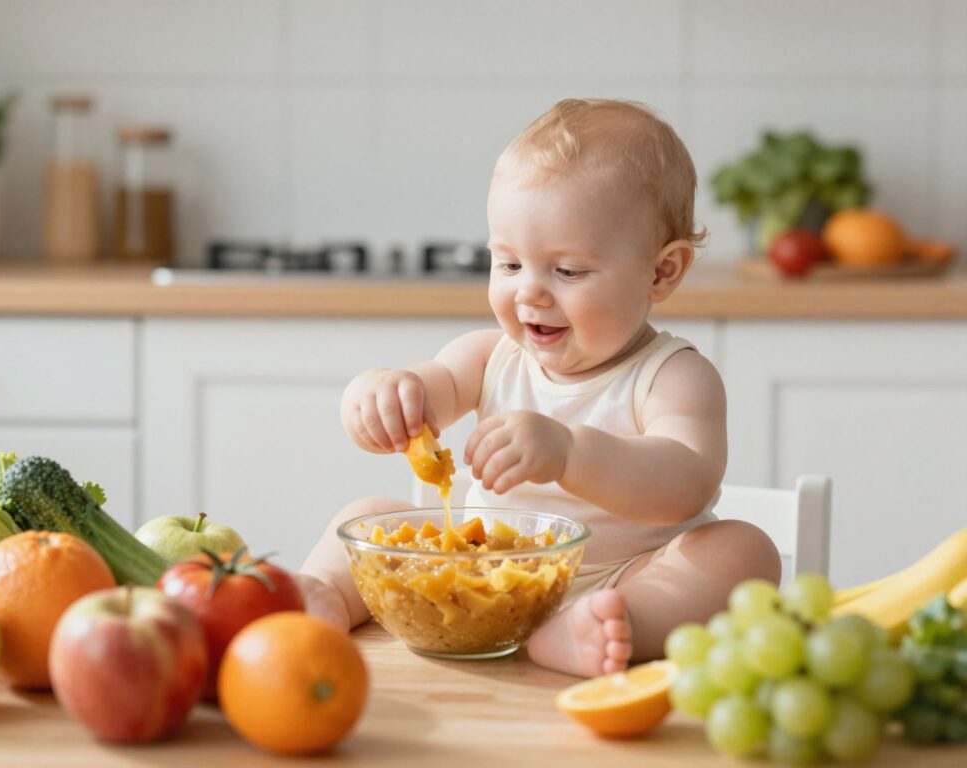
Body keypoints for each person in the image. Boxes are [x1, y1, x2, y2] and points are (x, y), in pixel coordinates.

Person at [296, 98, 780, 678]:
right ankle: (322, 594)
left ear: (662, 272)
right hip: (479, 573)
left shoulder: (673, 375)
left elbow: (684, 484)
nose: (530, 293)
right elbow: (430, 388)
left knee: (743, 552)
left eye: (568, 271)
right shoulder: (489, 355)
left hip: (624, 572)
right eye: (508, 264)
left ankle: (612, 624)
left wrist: (569, 452)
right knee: (372, 512)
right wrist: (380, 394)